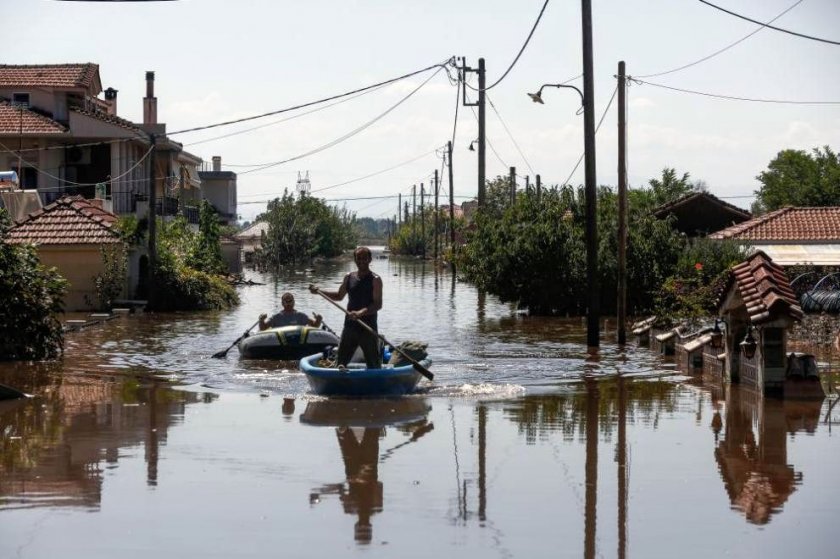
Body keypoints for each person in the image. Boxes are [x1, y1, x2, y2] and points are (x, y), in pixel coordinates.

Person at [310, 246, 382, 368]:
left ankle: (375, 380)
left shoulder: (375, 280)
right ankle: (340, 378)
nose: (361, 261)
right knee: (341, 362)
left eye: (364, 258)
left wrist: (360, 313)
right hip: (350, 326)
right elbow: (339, 296)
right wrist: (320, 291)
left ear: (370, 259)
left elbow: (377, 304)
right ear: (355, 260)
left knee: (374, 364)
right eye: (358, 258)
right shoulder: (349, 277)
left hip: (368, 327)